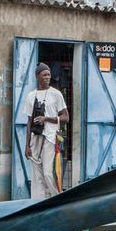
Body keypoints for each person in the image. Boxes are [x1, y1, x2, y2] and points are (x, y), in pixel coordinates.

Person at [26, 63, 68, 199]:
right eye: (44, 74)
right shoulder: (31, 96)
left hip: (50, 137)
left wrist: (47, 119)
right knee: (36, 176)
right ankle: (38, 202)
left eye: (48, 74)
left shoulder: (56, 94)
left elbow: (66, 117)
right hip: (35, 138)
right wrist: (27, 145)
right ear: (37, 76)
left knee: (48, 173)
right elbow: (29, 122)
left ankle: (56, 199)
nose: (47, 77)